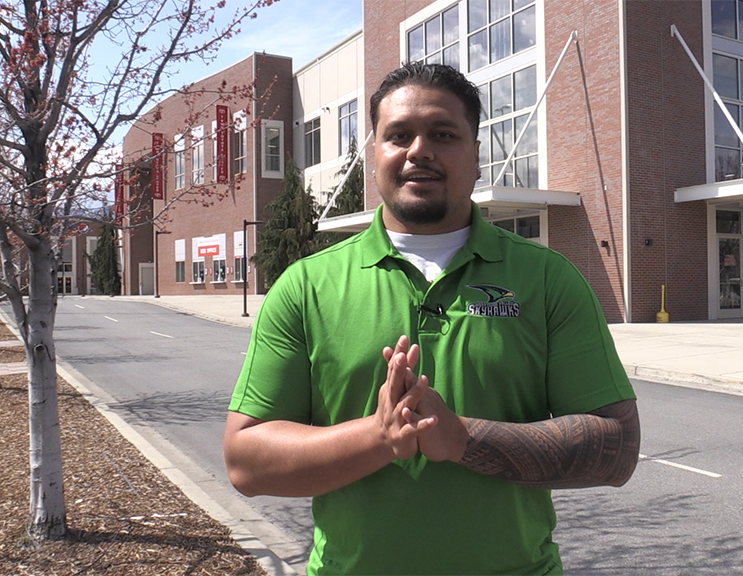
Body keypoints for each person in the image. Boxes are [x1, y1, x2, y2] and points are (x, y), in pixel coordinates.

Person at [224, 62, 640, 576]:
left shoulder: (548, 278)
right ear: (374, 155)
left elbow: (618, 449)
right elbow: (246, 461)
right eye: (398, 135)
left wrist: (462, 437)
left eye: (443, 134)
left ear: (477, 155)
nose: (419, 150)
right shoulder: (306, 286)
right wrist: (379, 437)